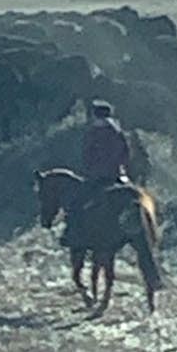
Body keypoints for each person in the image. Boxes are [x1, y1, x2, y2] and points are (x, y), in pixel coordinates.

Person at [63, 100, 132, 249]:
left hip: (97, 177)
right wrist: (122, 169)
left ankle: (71, 235)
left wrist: (90, 169)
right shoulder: (118, 131)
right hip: (117, 175)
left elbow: (87, 154)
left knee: (75, 205)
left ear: (95, 114)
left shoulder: (93, 131)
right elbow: (126, 153)